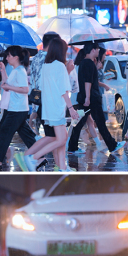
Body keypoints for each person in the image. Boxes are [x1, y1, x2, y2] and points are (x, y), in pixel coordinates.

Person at [21, 38, 79, 172]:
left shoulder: (47, 66)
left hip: (48, 108)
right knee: (61, 139)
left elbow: (43, 86)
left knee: (60, 138)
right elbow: (64, 89)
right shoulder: (59, 66)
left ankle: (63, 168)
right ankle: (34, 157)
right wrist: (71, 108)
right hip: (56, 107)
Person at [68, 42, 125, 155]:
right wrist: (88, 98)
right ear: (93, 50)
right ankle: (112, 145)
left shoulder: (84, 62)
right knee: (100, 122)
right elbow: (87, 82)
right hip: (91, 99)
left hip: (85, 98)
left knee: (79, 123)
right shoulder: (88, 63)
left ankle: (72, 146)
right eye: (98, 49)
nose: (99, 52)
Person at [0, 46, 36, 171]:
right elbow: (8, 83)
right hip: (15, 108)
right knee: (26, 135)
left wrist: (9, 87)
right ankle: (40, 156)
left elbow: (25, 89)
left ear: (16, 57)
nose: (7, 58)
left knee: (5, 133)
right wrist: (3, 70)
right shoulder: (15, 70)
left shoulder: (20, 71)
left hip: (17, 109)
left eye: (8, 55)